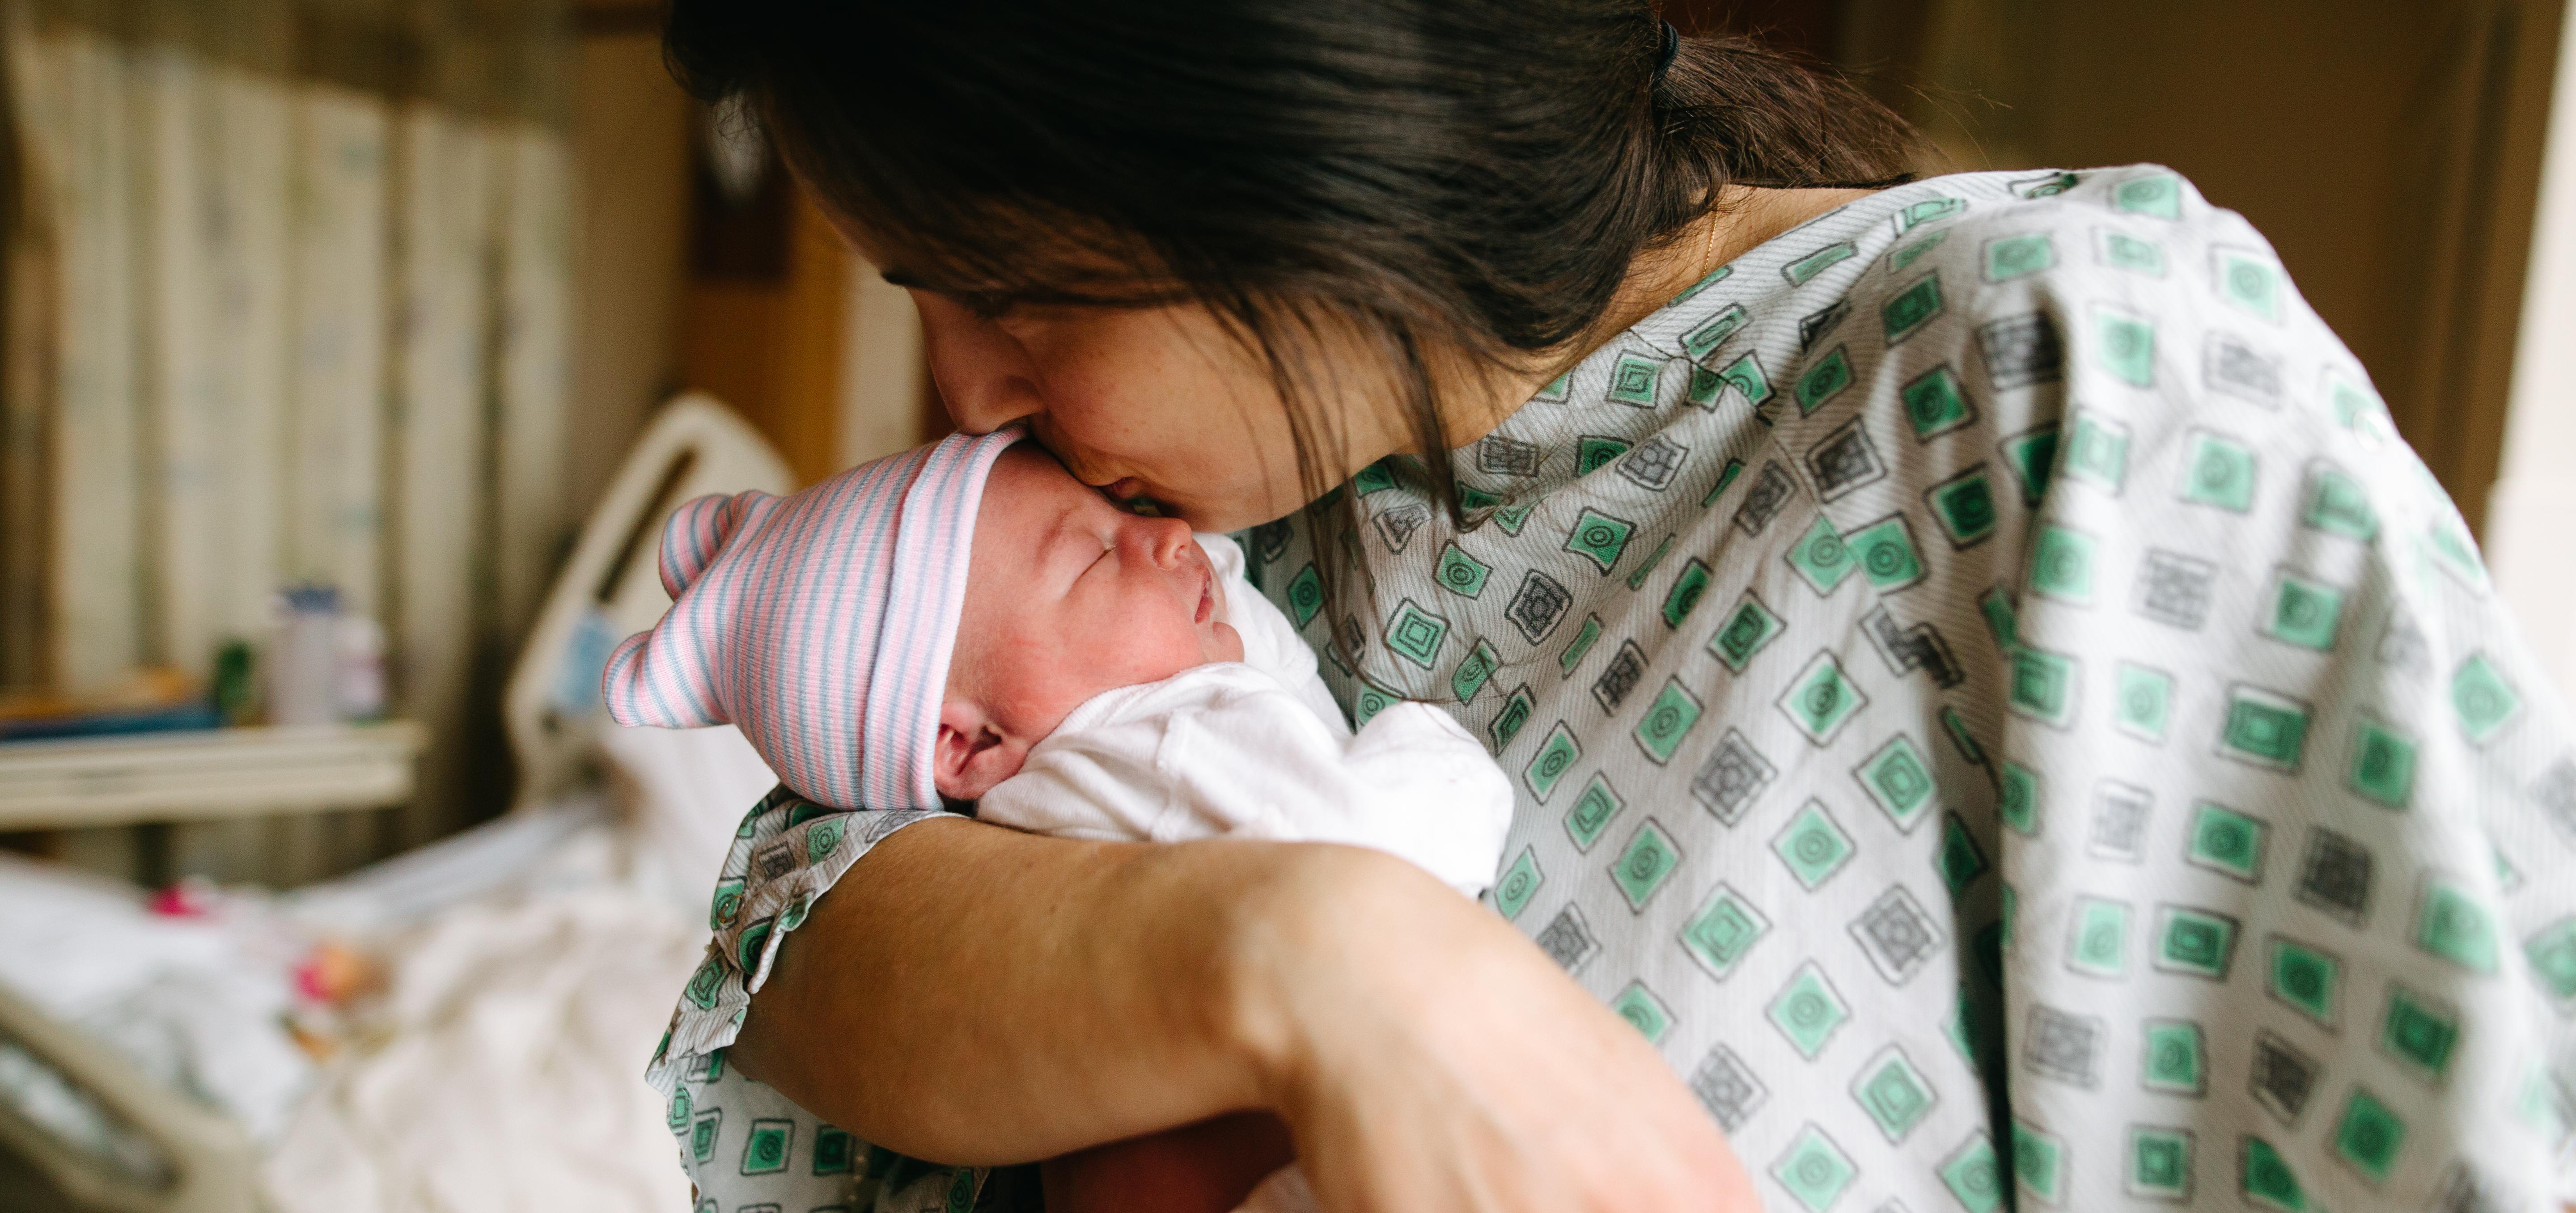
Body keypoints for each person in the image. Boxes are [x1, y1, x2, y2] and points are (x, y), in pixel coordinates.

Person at [648, 3, 2576, 1211]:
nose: (970, 403)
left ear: (1292, 157)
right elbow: (794, 935)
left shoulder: (2068, 377)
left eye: (1007, 288)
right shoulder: (1222, 509)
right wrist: (1325, 952)